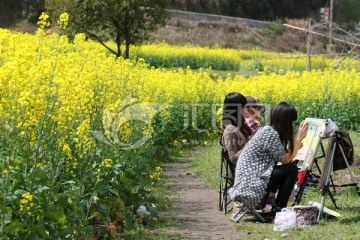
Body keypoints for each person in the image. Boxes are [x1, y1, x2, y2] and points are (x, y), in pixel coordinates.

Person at [229, 102, 309, 209]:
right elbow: (286, 160)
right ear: (284, 121)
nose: (292, 126)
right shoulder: (269, 133)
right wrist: (298, 138)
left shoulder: (268, 130)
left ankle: (275, 205)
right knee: (292, 169)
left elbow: (285, 157)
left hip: (250, 182)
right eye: (291, 122)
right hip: (251, 185)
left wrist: (295, 144)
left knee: (287, 168)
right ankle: (279, 209)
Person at [219, 92, 252, 167]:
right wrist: (251, 144)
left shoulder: (239, 126)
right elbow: (233, 159)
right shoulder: (230, 130)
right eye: (245, 107)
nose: (247, 110)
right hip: (247, 174)